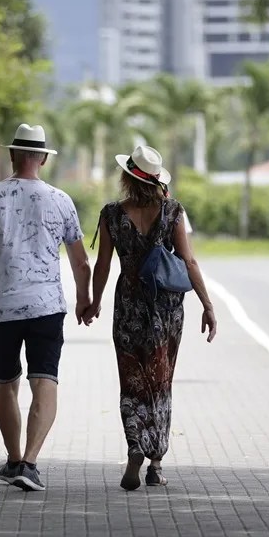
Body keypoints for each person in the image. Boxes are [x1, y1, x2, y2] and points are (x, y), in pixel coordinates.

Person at [0, 123, 92, 492]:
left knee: (5, 385)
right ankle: (30, 462)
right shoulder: (61, 200)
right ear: (43, 159)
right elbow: (80, 261)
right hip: (46, 307)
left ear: (12, 155)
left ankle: (13, 460)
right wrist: (84, 299)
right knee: (45, 381)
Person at [84, 144, 217, 490]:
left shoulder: (111, 214)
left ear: (127, 178)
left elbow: (103, 265)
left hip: (128, 304)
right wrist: (207, 305)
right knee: (160, 382)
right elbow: (189, 261)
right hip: (165, 309)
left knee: (132, 380)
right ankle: (155, 463)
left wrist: (94, 302)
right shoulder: (172, 211)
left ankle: (134, 446)